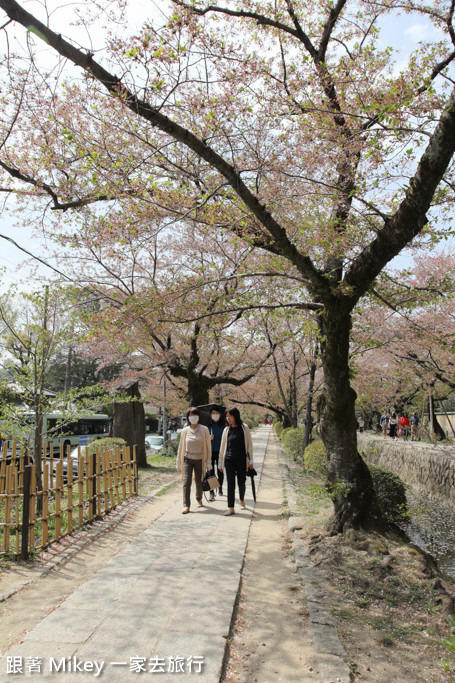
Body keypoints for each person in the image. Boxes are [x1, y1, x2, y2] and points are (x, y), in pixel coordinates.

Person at [219, 407, 254, 516]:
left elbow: (249, 445)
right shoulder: (226, 430)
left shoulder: (244, 428)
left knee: (241, 481)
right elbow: (222, 447)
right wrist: (220, 463)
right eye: (227, 416)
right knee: (230, 483)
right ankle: (231, 508)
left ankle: (242, 500)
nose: (228, 418)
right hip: (229, 460)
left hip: (241, 459)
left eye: (230, 416)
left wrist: (251, 460)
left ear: (236, 416)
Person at [176, 407, 211, 514]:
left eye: (195, 415)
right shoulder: (185, 431)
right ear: (188, 417)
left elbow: (208, 447)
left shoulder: (204, 429)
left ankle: (199, 499)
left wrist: (209, 462)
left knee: (199, 481)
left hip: (200, 459)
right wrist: (178, 463)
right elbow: (181, 447)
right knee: (187, 482)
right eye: (191, 415)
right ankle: (186, 505)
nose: (193, 417)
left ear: (198, 416)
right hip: (187, 459)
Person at [208, 407, 225, 502]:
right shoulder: (208, 427)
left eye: (216, 413)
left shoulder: (223, 426)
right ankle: (211, 492)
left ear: (220, 414)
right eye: (213, 413)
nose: (214, 415)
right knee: (211, 472)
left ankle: (220, 486)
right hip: (210, 452)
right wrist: (208, 438)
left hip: (220, 452)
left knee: (220, 471)